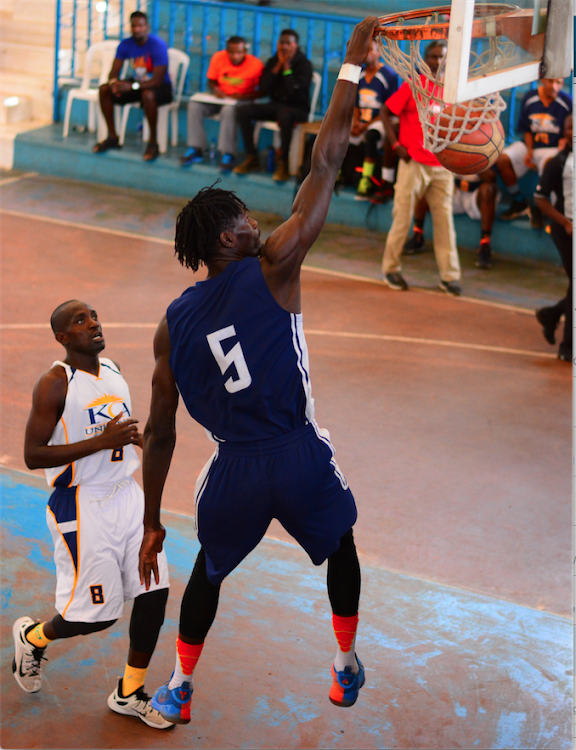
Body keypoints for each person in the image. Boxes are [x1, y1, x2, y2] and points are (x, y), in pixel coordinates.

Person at [138, 17, 379, 726]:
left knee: (207, 572)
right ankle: (342, 668)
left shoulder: (170, 323)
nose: (254, 223)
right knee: (341, 546)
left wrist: (154, 519)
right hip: (297, 452)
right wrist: (352, 67)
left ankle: (179, 686)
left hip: (233, 469)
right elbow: (326, 161)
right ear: (225, 238)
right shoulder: (273, 264)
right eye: (243, 219)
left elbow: (159, 433)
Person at [16, 300, 172, 729]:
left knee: (153, 592)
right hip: (82, 505)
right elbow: (32, 455)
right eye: (80, 321)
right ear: (63, 338)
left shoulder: (115, 370)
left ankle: (129, 692)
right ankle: (33, 638)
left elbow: (113, 428)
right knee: (94, 617)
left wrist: (132, 440)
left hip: (128, 495)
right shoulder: (54, 383)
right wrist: (101, 444)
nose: (93, 324)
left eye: (94, 316)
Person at [380, 41, 462, 296]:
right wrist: (395, 145)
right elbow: (385, 111)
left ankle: (450, 276)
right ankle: (391, 269)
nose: (438, 62)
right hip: (413, 162)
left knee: (444, 222)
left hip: (442, 167)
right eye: (434, 57)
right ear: (425, 60)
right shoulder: (414, 86)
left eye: (443, 57)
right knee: (402, 217)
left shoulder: (453, 91)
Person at [233, 29, 312, 182]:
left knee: (285, 115)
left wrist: (287, 67)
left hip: (297, 108)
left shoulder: (304, 64)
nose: (284, 47)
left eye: (288, 44)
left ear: (295, 46)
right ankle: (252, 157)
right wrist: (278, 67)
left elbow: (293, 92)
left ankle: (283, 163)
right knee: (243, 111)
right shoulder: (273, 61)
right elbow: (263, 87)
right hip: (276, 105)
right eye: (282, 43)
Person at [93, 11, 172, 162]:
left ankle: (153, 143)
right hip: (137, 85)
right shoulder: (125, 44)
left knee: (148, 94)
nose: (137, 29)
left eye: (140, 26)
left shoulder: (157, 45)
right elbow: (114, 71)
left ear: (147, 27)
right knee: (104, 90)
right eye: (134, 26)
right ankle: (112, 137)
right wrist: (114, 84)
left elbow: (157, 80)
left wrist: (133, 86)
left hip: (161, 87)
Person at [180, 37, 264, 173]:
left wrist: (243, 96)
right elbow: (211, 80)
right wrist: (215, 90)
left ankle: (228, 154)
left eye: (239, 53)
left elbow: (262, 91)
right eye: (231, 52)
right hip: (220, 98)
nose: (235, 56)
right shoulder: (218, 58)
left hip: (242, 100)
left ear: (245, 52)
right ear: (227, 51)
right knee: (194, 105)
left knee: (228, 110)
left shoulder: (255, 65)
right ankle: (196, 149)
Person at [496, 78, 572, 223]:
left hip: (553, 149)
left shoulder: (567, 102)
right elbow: (526, 130)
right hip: (530, 146)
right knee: (502, 160)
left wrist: (564, 142)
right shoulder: (530, 98)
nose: (555, 87)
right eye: (551, 81)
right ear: (543, 80)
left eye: (559, 83)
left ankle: (550, 211)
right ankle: (520, 202)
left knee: (552, 165)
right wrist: (529, 151)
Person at [533, 115, 573, 362]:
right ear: (564, 131)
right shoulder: (557, 163)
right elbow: (540, 199)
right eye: (571, 126)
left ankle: (551, 315)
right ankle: (567, 347)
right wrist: (566, 223)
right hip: (566, 230)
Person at [403, 169, 498, 269]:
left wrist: (471, 161)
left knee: (488, 190)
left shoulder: (487, 152)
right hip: (454, 190)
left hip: (475, 194)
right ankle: (418, 235)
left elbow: (491, 177)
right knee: (424, 183)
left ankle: (485, 245)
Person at [349, 39, 397, 201]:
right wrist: (356, 122)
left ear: (379, 53)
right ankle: (338, 174)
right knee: (339, 133)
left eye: (370, 50)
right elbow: (355, 103)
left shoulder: (389, 76)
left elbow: (388, 109)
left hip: (379, 120)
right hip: (361, 119)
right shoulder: (359, 74)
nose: (366, 54)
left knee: (372, 136)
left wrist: (365, 126)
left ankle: (366, 179)